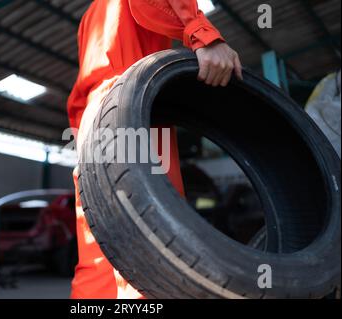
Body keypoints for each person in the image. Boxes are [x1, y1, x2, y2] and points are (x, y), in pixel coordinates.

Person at [67, 0, 243, 299]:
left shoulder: (91, 15)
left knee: (100, 254)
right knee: (151, 245)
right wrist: (204, 36)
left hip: (93, 120)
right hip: (132, 106)